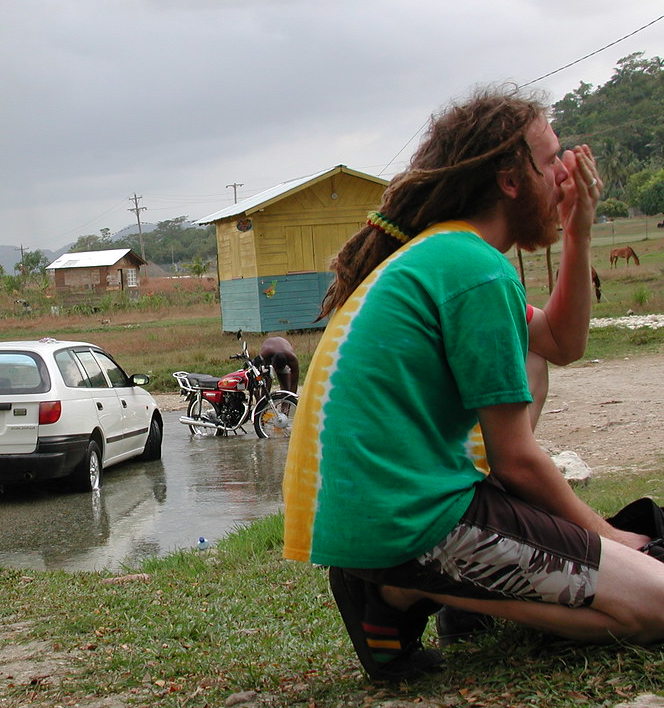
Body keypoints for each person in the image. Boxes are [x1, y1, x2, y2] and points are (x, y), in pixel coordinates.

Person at [282, 86, 664, 683]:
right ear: (511, 179)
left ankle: (411, 592)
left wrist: (578, 231)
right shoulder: (475, 270)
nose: (565, 172)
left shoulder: (448, 254)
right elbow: (516, 462)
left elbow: (561, 345)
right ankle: (397, 591)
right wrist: (612, 536)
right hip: (411, 520)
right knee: (657, 607)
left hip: (381, 516)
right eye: (552, 159)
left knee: (529, 360)